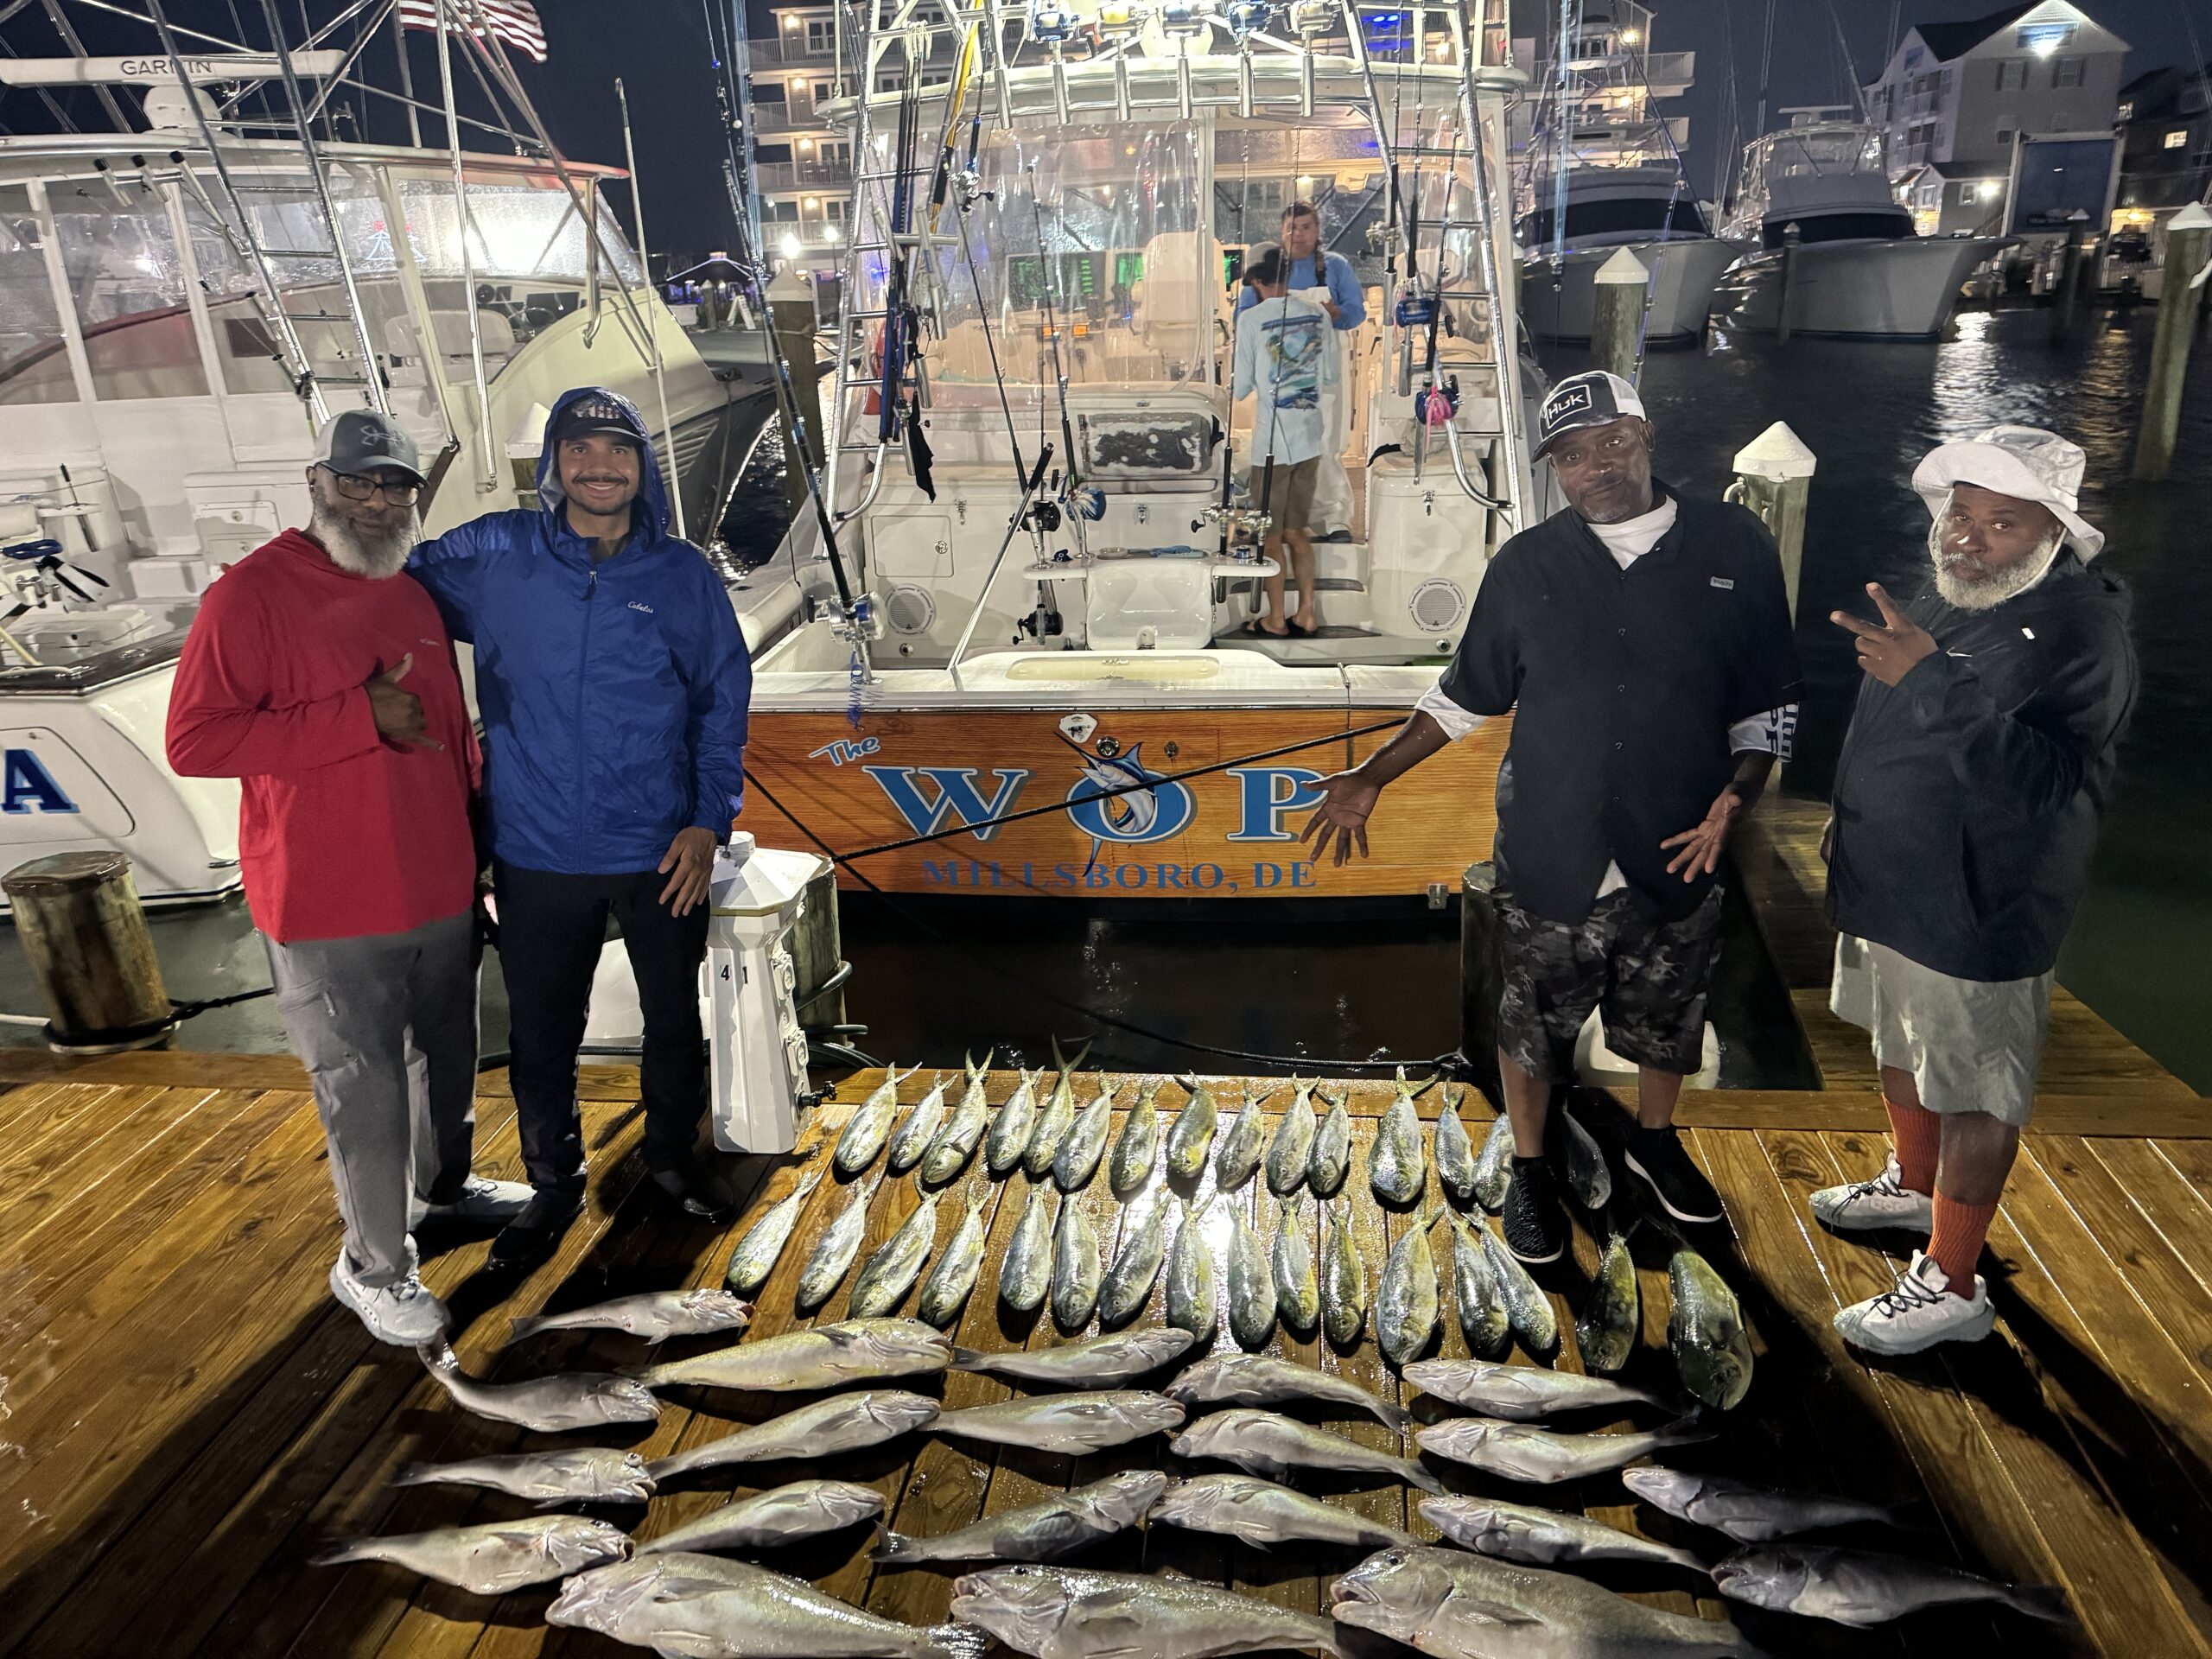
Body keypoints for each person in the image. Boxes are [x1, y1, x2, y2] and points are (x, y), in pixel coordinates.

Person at [1300, 371, 1802, 1262]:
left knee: (1670, 1016)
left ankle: (1653, 1143)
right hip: (1551, 844)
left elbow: (1767, 703)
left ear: (1645, 436)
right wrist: (1373, 776)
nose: (1593, 467)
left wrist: (1739, 798)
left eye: (1610, 442)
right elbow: (1465, 695)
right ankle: (1530, 1166)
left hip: (1679, 843)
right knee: (1531, 1023)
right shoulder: (1525, 565)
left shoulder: (1737, 546)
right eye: (1570, 456)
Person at [166, 410, 528, 1345]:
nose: (376, 501)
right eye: (357, 481)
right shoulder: (247, 596)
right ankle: (372, 1268)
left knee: (447, 1057)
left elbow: (448, 736)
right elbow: (195, 741)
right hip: (327, 901)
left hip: (440, 883)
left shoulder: (408, 589)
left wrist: (480, 846)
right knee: (361, 1090)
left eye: (394, 485)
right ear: (317, 481)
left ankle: (442, 1193)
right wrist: (356, 716)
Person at [410, 387, 753, 1269]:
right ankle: (553, 1184)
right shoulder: (495, 553)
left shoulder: (682, 576)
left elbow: (721, 705)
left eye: (618, 451)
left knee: (673, 1019)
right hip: (535, 849)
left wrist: (707, 821)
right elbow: (384, 584)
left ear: (644, 467)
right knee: (542, 1031)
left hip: (658, 848)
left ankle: (671, 1155)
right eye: (580, 449)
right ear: (554, 462)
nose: (599, 467)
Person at [1813, 425, 2137, 1355]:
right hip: (1892, 882)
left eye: (2002, 523)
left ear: (2054, 534)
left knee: (1977, 1097)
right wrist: (1851, 817)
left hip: (1980, 905)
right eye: (1961, 514)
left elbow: (2042, 783)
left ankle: (1953, 1284)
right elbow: (1893, 719)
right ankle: (1914, 1187)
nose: (1968, 537)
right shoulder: (1956, 593)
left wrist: (1930, 681)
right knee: (1900, 1045)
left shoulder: (2083, 633)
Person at [1234, 201, 1364, 539]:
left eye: (1306, 227)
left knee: (1327, 442)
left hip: (1322, 366)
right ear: (1282, 232)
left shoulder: (1336, 267)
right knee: (1275, 446)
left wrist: (1333, 313)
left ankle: (1333, 519)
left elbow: (1356, 311)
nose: (1299, 234)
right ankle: (1280, 522)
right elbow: (1244, 314)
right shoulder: (1270, 267)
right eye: (1292, 228)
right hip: (1275, 369)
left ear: (1317, 230)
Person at [1231, 241, 1338, 638]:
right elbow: (1330, 375)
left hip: (1272, 447)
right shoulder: (1318, 314)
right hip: (1310, 440)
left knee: (1271, 536)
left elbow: (1240, 387)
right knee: (1298, 531)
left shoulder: (1251, 320)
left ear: (1257, 281)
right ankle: (1307, 613)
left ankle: (1276, 618)